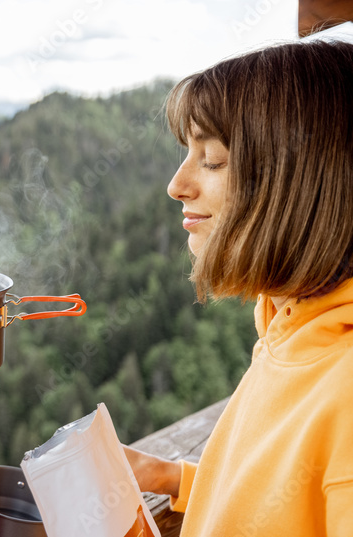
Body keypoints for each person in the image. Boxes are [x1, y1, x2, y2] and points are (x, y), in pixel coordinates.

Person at [122, 40, 353, 536]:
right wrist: (178, 480)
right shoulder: (288, 327)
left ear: (300, 179)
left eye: (213, 159)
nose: (176, 184)